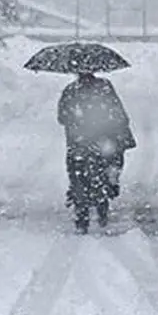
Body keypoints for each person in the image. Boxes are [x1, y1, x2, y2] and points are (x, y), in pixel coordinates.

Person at [57, 71, 136, 233]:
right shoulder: (105, 87)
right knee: (102, 175)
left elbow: (62, 117)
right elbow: (118, 113)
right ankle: (102, 209)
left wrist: (77, 122)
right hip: (102, 141)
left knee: (78, 178)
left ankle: (81, 217)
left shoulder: (70, 90)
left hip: (79, 144)